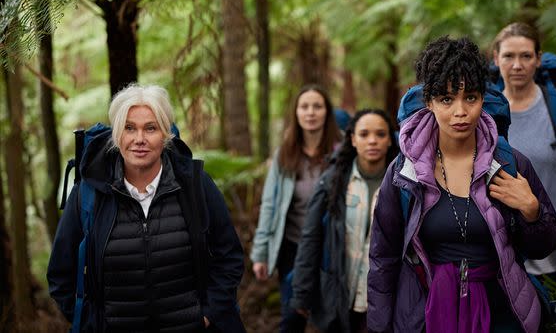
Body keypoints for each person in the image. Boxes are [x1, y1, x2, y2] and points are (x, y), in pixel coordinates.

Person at [368, 36, 556, 333]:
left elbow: (542, 248)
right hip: (427, 310)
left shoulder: (509, 164)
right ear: (429, 102)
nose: (461, 111)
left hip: (502, 312)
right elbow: (384, 256)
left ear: (482, 98)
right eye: (447, 99)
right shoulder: (404, 172)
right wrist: (379, 327)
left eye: (470, 97)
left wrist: (532, 211)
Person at [47, 84, 245, 333]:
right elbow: (60, 275)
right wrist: (93, 324)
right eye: (129, 128)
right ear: (117, 136)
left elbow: (230, 257)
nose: (139, 139)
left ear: (166, 134)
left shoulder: (195, 185)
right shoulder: (89, 194)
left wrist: (207, 315)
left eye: (150, 128)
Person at [492, 22, 556, 277]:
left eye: (526, 56)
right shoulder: (485, 113)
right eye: (508, 56)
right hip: (504, 259)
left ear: (538, 59)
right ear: (495, 59)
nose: (517, 65)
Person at [290, 109, 400, 333]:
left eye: (380, 134)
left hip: (385, 301)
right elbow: (311, 238)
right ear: (352, 139)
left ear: (390, 140)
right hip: (338, 297)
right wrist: (302, 295)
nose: (372, 141)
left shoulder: (402, 184)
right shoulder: (332, 181)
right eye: (364, 134)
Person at [251, 84, 341, 332]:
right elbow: (269, 204)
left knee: (333, 319)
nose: (310, 112)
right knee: (292, 318)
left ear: (327, 112)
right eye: (304, 107)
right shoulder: (285, 154)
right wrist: (261, 253)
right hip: (292, 248)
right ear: (296, 113)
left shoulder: (342, 151)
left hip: (331, 248)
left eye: (317, 106)